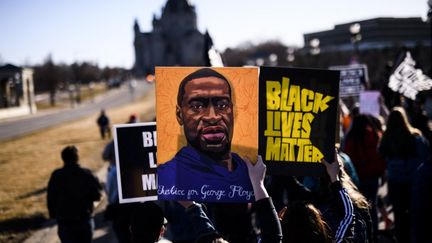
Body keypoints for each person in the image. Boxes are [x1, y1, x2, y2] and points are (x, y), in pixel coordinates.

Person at [157, 68, 254, 202]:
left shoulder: (254, 171)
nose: (212, 117)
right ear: (180, 115)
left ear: (233, 111)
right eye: (197, 106)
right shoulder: (164, 179)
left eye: (222, 105)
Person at [378, 106, 430, 243]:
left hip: (395, 182)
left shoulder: (386, 138)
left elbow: (380, 155)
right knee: (415, 213)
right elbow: (425, 157)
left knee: (399, 214)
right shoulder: (415, 137)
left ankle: (401, 239)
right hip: (414, 181)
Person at [342, 114, 386, 239]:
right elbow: (380, 156)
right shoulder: (374, 135)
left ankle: (364, 234)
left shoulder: (351, 139)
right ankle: (374, 234)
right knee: (373, 207)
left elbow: (349, 159)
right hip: (374, 177)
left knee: (361, 209)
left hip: (359, 179)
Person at [47, 145, 102, 243]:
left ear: (63, 158)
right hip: (84, 220)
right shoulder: (86, 174)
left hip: (65, 222)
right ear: (77, 158)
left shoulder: (56, 175)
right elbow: (97, 196)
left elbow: (51, 197)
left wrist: (54, 214)